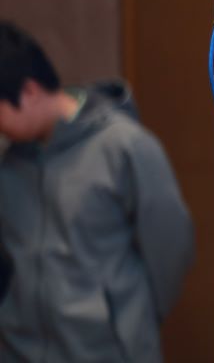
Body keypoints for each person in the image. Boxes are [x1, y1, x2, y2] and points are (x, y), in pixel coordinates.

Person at [0, 20, 194, 362]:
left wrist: (131, 320)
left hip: (107, 352)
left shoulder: (123, 147)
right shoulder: (10, 164)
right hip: (21, 351)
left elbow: (171, 249)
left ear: (28, 91)